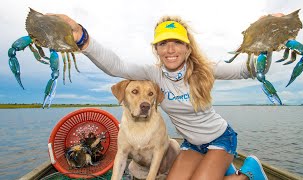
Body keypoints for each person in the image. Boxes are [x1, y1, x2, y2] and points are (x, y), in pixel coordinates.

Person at [52, 13, 278, 180]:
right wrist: (82, 38)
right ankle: (219, 168)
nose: (170, 49)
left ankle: (249, 172)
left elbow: (251, 70)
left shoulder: (205, 69)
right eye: (163, 43)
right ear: (156, 49)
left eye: (177, 42)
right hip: (192, 145)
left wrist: (266, 48)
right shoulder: (154, 75)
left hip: (220, 139)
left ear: (188, 48)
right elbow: (116, 66)